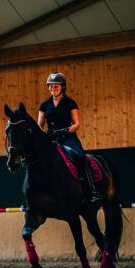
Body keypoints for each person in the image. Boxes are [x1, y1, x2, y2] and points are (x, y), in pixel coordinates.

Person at [37, 71, 102, 204]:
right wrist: (44, 135)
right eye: (50, 86)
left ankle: (93, 190)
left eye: (56, 86)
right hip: (51, 139)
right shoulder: (44, 105)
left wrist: (66, 130)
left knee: (81, 157)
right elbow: (40, 125)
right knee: (37, 160)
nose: (53, 89)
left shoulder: (70, 103)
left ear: (62, 87)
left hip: (68, 138)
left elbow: (77, 123)